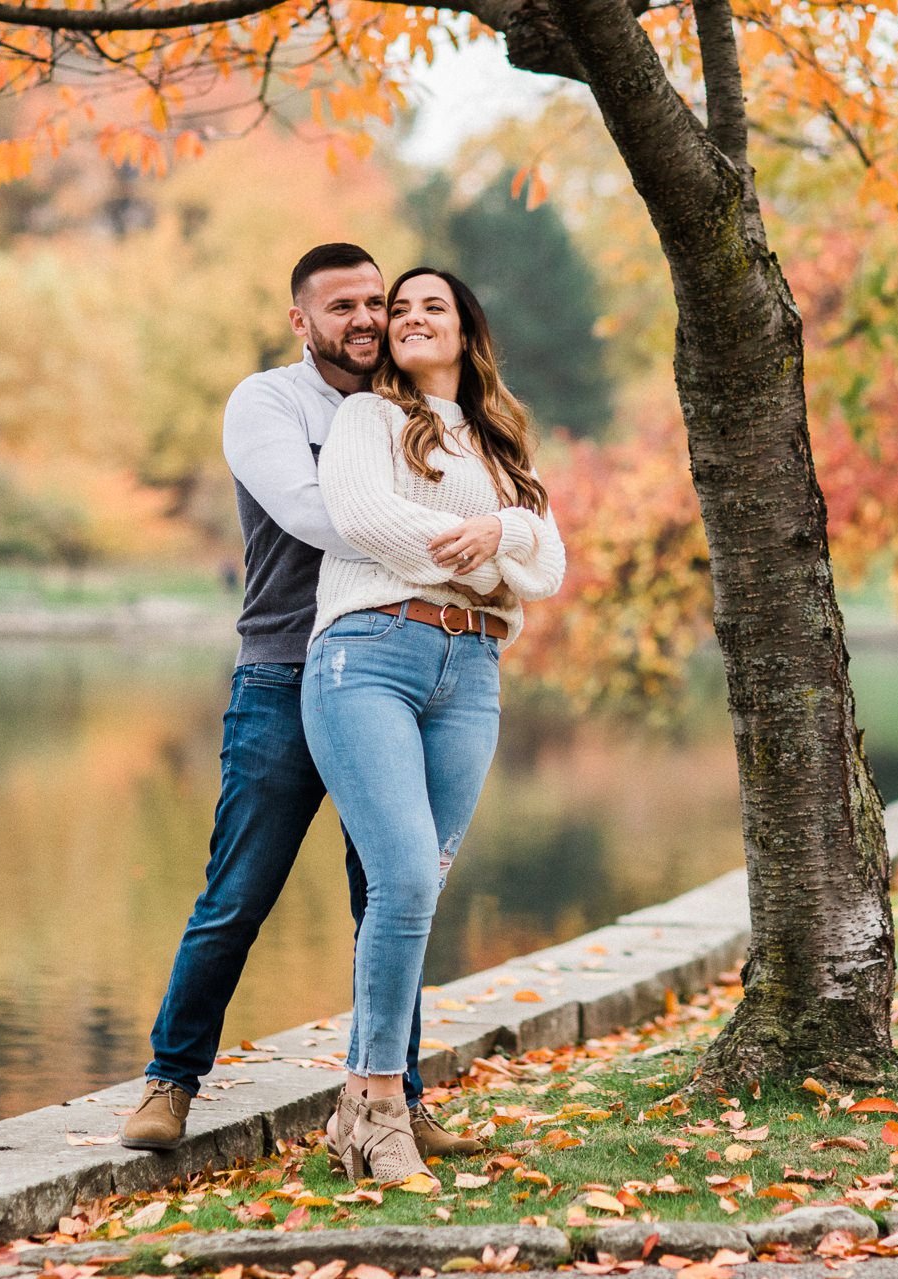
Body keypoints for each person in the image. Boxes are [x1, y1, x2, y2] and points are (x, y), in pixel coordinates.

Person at [119, 245, 480, 1162]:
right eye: (343, 306)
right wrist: (465, 543)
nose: (366, 319)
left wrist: (500, 536)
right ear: (300, 319)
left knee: (396, 892)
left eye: (376, 300)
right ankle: (171, 1077)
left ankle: (397, 1095)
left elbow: (503, 499)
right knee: (238, 893)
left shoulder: (415, 406)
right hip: (285, 673)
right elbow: (321, 516)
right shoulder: (268, 403)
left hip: (392, 678)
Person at [303, 266, 565, 1182]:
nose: (409, 320)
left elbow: (552, 556)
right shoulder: (366, 419)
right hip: (368, 653)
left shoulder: (499, 439)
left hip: (474, 671)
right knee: (404, 873)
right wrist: (493, 553)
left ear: (466, 331)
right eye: (398, 308)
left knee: (420, 885)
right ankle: (373, 1106)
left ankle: (383, 1107)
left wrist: (505, 541)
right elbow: (364, 516)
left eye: (431, 308)